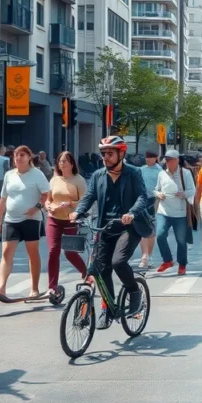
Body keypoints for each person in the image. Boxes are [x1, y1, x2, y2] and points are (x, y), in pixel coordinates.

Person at [71, 136, 152, 328]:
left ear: (121, 154)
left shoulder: (133, 173)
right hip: (104, 226)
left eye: (110, 153)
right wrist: (77, 211)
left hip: (129, 227)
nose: (105, 157)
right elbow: (89, 197)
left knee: (117, 262)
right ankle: (108, 308)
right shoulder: (98, 175)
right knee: (100, 269)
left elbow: (142, 196)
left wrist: (131, 213)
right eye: (103, 154)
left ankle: (134, 292)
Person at [0, 146, 50, 299]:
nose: (18, 158)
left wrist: (36, 208)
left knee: (32, 253)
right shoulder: (9, 175)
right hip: (11, 220)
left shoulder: (37, 174)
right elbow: (3, 199)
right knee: (6, 252)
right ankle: (1, 286)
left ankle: (34, 288)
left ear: (29, 157)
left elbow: (46, 194)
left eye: (22, 155)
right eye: (16, 155)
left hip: (31, 220)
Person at [44, 151, 88, 295]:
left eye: (65, 161)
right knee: (53, 251)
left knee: (70, 253)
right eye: (60, 161)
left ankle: (85, 272)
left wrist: (70, 203)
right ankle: (52, 287)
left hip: (71, 220)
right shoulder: (54, 180)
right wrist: (48, 206)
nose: (62, 164)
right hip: (54, 219)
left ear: (72, 163)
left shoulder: (78, 180)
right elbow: (48, 199)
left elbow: (85, 202)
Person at [154, 149, 195, 275]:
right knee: (160, 236)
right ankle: (167, 260)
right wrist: (158, 194)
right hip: (163, 211)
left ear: (177, 160)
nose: (168, 162)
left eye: (171, 160)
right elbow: (156, 189)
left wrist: (183, 194)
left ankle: (182, 264)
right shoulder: (161, 174)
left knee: (181, 240)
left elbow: (192, 190)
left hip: (180, 213)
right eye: (166, 160)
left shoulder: (186, 173)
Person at [137, 150, 162, 268]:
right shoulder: (141, 170)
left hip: (154, 201)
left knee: (151, 230)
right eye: (147, 157)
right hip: (142, 201)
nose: (148, 159)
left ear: (156, 158)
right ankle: (144, 256)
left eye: (151, 157)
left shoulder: (160, 171)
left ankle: (150, 255)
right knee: (143, 229)